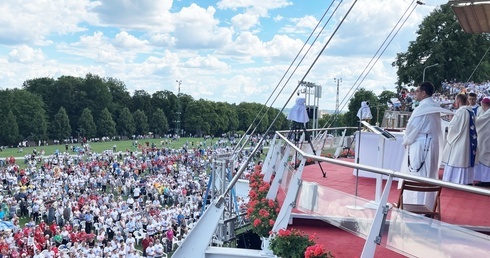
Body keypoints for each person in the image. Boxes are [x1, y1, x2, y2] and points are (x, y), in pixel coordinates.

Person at [399, 82, 451, 206]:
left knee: (418, 174)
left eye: (417, 91)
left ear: (423, 93)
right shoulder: (433, 105)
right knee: (429, 174)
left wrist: (406, 141)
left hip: (421, 146)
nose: (415, 93)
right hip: (431, 144)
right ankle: (429, 204)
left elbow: (413, 128)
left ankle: (417, 205)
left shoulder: (422, 108)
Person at [442, 93, 477, 185]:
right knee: (465, 159)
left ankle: (456, 179)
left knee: (457, 159)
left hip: (460, 141)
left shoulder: (461, 112)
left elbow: (454, 127)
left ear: (458, 101)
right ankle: (466, 180)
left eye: (455, 100)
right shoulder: (471, 111)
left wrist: (449, 123)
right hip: (469, 141)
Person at [474, 97, 490, 186]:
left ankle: (486, 180)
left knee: (485, 158)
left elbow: (478, 121)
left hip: (486, 139)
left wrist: (471, 117)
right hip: (486, 137)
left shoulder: (488, 113)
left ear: (483, 105)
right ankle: (484, 179)